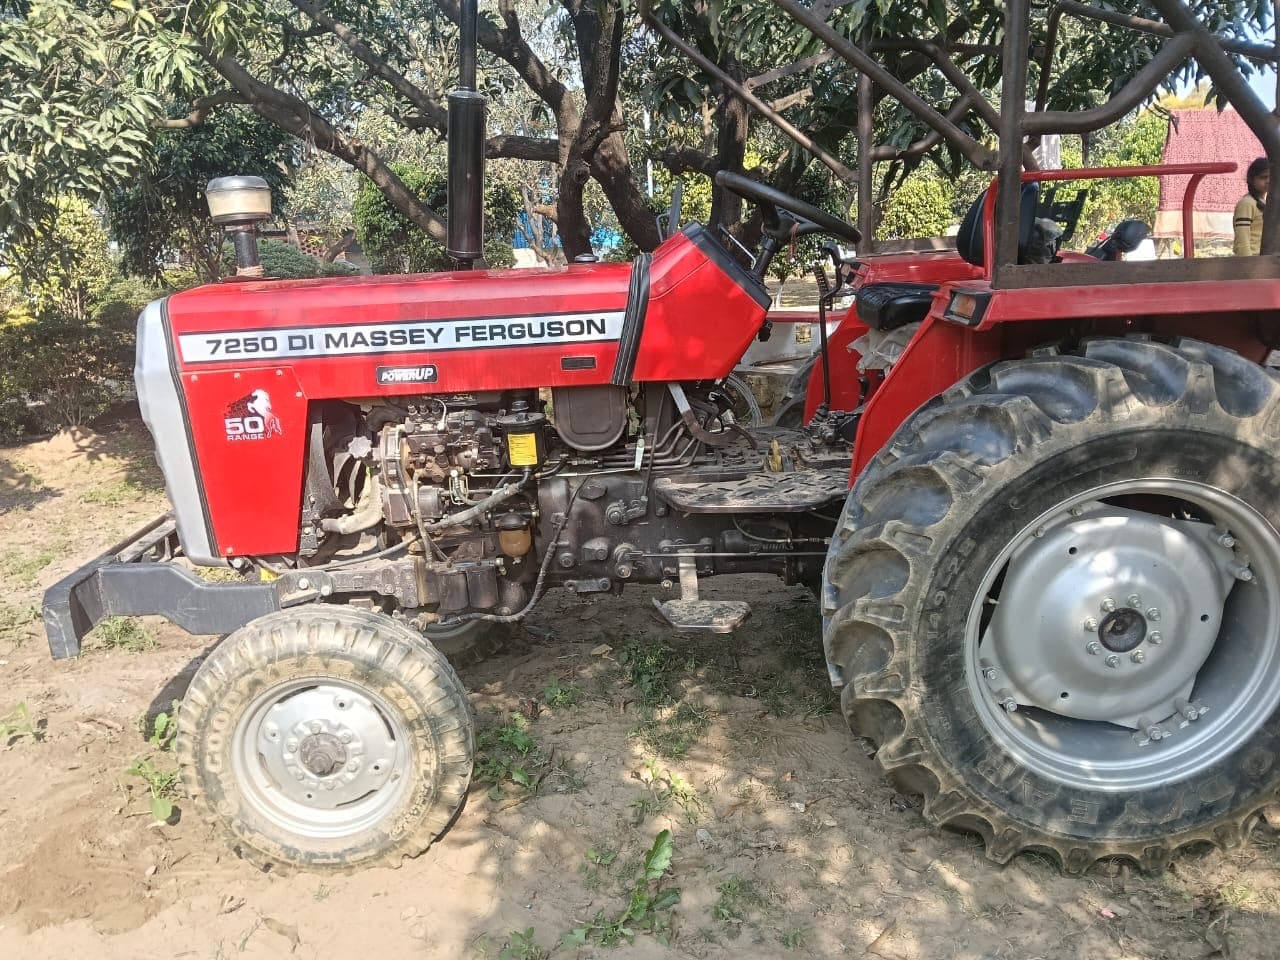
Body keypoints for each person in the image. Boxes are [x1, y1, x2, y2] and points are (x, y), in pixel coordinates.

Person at [1234, 157, 1270, 256]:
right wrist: (1249, 266)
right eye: (1263, 177)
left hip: (1265, 261)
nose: (1268, 181)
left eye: (1271, 177)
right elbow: (1242, 240)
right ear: (1251, 179)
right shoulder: (1247, 203)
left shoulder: (1264, 202)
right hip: (1253, 262)